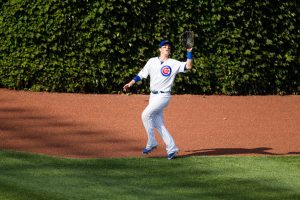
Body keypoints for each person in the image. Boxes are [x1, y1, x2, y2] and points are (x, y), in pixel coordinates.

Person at [123, 39, 193, 159]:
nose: (167, 48)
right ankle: (172, 148)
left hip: (163, 96)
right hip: (153, 96)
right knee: (158, 123)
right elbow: (141, 74)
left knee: (145, 115)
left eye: (168, 47)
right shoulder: (152, 61)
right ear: (160, 49)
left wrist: (189, 53)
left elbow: (188, 67)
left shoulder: (173, 63)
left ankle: (152, 142)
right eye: (164, 46)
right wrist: (130, 84)